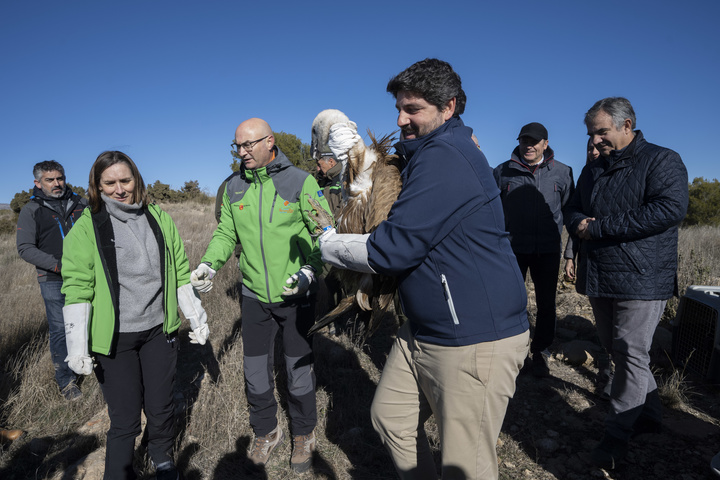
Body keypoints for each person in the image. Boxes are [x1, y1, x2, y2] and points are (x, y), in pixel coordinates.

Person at [319, 58, 530, 480]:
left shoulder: (446, 156)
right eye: (399, 108)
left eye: (413, 109)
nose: (401, 119)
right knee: (391, 417)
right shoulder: (421, 157)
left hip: (472, 337)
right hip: (425, 329)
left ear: (448, 108)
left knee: (465, 465)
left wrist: (330, 243)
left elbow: (393, 250)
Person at [190, 118, 330, 473]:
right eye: (236, 146)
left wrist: (310, 272)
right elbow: (225, 233)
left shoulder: (301, 181)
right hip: (253, 294)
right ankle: (267, 432)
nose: (241, 152)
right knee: (254, 371)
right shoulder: (233, 186)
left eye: (248, 145)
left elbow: (323, 236)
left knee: (298, 371)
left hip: (295, 292)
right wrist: (209, 264)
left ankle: (304, 433)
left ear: (270, 142)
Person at [61, 151, 209, 480]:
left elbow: (179, 269)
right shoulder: (88, 227)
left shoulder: (158, 216)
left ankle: (162, 457)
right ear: (96, 187)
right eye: (109, 183)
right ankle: (119, 472)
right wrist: (76, 344)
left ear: (136, 179)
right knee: (125, 419)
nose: (119, 189)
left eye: (125, 180)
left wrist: (195, 314)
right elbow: (77, 288)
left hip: (159, 330)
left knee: (161, 407)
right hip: (115, 340)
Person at [565, 97, 688, 469]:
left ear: (627, 125)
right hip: (601, 272)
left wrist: (598, 227)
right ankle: (649, 414)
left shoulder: (662, 160)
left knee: (631, 351)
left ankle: (616, 436)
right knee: (617, 349)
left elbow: (669, 209)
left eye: (602, 131)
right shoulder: (593, 170)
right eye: (591, 134)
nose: (596, 140)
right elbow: (572, 207)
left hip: (643, 275)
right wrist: (578, 224)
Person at [493, 123, 575, 378]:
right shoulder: (502, 172)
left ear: (545, 144)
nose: (528, 146)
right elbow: (492, 212)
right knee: (510, 302)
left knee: (546, 305)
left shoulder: (562, 172)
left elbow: (572, 214)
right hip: (511, 251)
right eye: (524, 141)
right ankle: (510, 351)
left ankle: (540, 351)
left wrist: (570, 253)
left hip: (548, 250)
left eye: (534, 141)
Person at [16, 160, 88, 400]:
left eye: (60, 178)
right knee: (61, 329)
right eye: (50, 180)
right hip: (52, 279)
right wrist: (58, 265)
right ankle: (67, 382)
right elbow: (25, 248)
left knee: (91, 321)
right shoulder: (31, 210)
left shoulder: (81, 203)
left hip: (86, 276)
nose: (57, 183)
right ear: (37, 183)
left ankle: (92, 364)